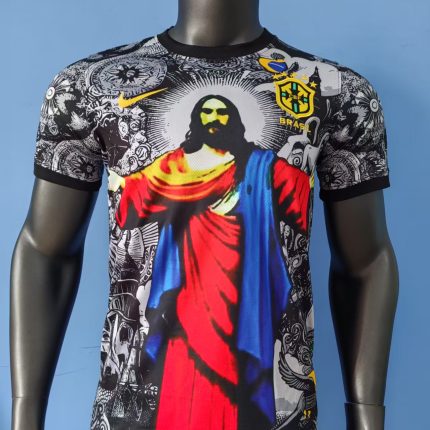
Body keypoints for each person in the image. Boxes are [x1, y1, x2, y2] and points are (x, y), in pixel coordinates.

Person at [10, 1, 399, 429]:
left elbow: (366, 263)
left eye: (222, 113)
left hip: (248, 313)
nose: (214, 120)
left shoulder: (336, 96)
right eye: (207, 113)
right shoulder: (88, 90)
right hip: (172, 326)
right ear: (195, 121)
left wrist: (366, 415)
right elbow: (44, 249)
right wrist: (26, 412)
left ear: (235, 121)